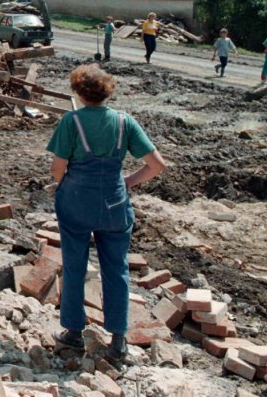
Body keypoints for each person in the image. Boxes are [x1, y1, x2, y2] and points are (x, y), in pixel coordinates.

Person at [47, 65, 166, 361]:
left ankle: (74, 333)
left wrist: (67, 186)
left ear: (78, 91)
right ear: (107, 91)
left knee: (75, 267)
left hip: (75, 204)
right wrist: (127, 182)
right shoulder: (125, 122)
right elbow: (156, 165)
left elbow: (57, 169)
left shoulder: (71, 122)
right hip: (114, 205)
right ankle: (118, 340)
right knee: (116, 270)